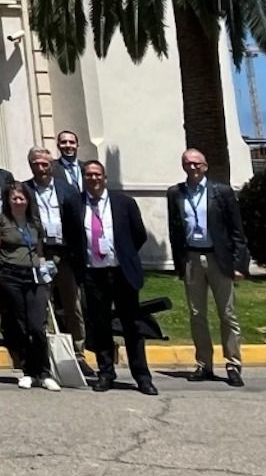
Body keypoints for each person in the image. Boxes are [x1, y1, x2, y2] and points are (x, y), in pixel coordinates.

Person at [63, 160, 156, 395]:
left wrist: (123, 255)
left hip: (121, 271)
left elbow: (138, 234)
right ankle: (106, 373)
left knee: (132, 326)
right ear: (83, 178)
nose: (93, 178)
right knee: (100, 325)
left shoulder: (124, 203)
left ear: (104, 178)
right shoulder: (74, 203)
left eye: (97, 175)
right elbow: (72, 237)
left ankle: (142, 376)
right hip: (94, 273)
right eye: (88, 175)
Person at [167, 149, 248, 386]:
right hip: (192, 258)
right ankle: (204, 364)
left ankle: (233, 364)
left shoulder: (220, 192)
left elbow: (237, 231)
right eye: (187, 163)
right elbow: (174, 229)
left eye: (196, 163)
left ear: (205, 166)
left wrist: (239, 264)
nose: (191, 167)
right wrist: (179, 263)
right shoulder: (176, 193)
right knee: (196, 314)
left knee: (227, 314)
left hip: (218, 259)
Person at [0, 183, 57, 391]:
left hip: (35, 276)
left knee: (37, 325)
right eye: (14, 198)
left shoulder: (35, 223)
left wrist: (45, 267)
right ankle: (28, 371)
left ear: (28, 201)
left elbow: (40, 250)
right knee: (20, 324)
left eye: (22, 198)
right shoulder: (1, 222)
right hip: (11, 275)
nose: (18, 201)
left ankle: (44, 372)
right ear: (8, 200)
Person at [22, 147, 84, 345]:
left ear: (51, 165)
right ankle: (45, 348)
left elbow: (77, 221)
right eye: (36, 164)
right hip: (39, 253)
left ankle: (78, 349)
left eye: (44, 164)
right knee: (42, 303)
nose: (40, 168)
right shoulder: (24, 190)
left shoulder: (67, 189)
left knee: (72, 304)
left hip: (64, 253)